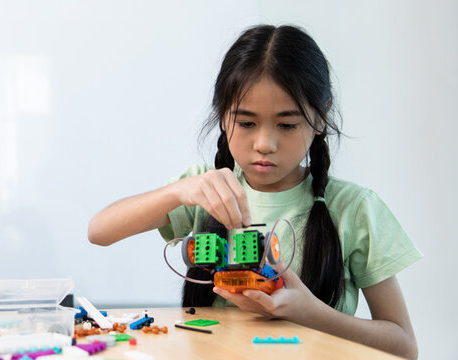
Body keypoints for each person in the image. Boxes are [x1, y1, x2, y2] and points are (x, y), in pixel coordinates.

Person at [87, 25, 421, 359]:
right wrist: (179, 191)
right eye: (246, 123)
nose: (264, 144)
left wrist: (310, 313)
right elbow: (99, 231)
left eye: (287, 125)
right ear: (222, 114)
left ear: (321, 117)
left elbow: (404, 346)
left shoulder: (354, 208)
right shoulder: (205, 190)